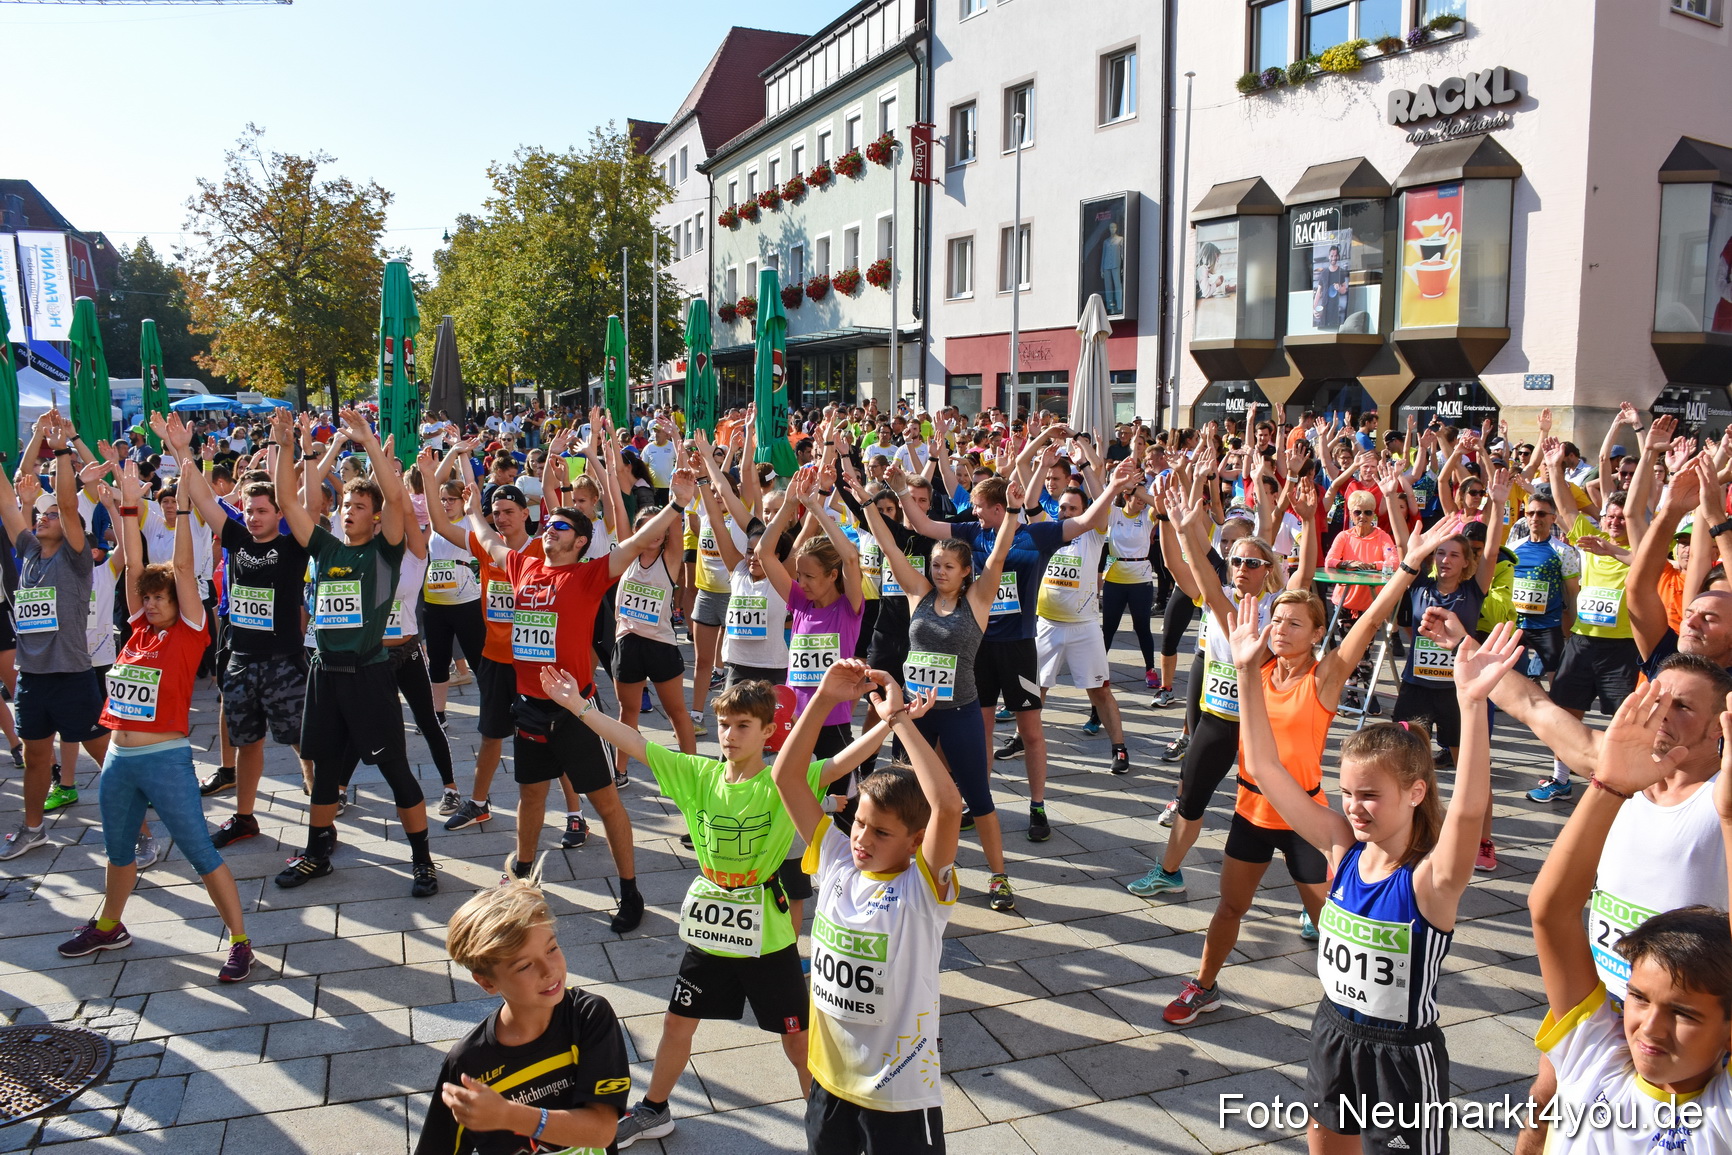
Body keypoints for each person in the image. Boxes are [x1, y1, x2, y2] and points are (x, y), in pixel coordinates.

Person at [1233, 596, 1524, 1153]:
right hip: (1333, 1033)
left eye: (1370, 795)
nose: (1355, 807)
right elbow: (1267, 769)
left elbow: (1466, 809)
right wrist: (1248, 672)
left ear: (1415, 793)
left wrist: (1472, 706)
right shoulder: (1341, 846)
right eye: (1347, 794)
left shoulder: (1430, 879)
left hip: (1402, 1058)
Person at [540, 668, 872, 1150]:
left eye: (742, 726)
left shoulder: (783, 777)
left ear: (767, 731)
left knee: (798, 1041)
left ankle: (829, 1130)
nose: (730, 736)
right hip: (712, 926)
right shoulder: (699, 774)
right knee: (677, 1021)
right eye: (723, 725)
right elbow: (634, 743)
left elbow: (841, 761)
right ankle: (654, 1110)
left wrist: (892, 722)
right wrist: (579, 706)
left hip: (768, 935)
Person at [467, 469, 698, 929]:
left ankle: (630, 892)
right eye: (548, 524)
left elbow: (633, 546)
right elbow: (485, 536)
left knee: (606, 802)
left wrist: (676, 505)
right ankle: (522, 880)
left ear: (579, 542)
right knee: (531, 797)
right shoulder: (523, 564)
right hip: (529, 708)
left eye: (560, 528)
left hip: (577, 712)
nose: (549, 530)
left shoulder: (590, 575)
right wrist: (472, 497)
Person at [56, 460, 254, 982]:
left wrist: (184, 507)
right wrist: (125, 504)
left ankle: (239, 941)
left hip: (165, 759)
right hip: (120, 760)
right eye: (146, 598)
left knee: (198, 851)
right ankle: (109, 924)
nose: (149, 603)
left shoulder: (190, 631)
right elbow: (134, 563)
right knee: (119, 851)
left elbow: (184, 571)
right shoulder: (139, 629)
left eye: (158, 597)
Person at [1526, 676, 1732, 1154]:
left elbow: (1552, 913)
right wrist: (1610, 785)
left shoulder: (1722, 1114)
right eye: (1639, 998)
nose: (1649, 1028)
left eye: (1683, 1013)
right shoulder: (1596, 1051)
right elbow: (1550, 911)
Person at [774, 660, 962, 1154]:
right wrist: (822, 697)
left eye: (881, 832)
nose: (861, 838)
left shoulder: (924, 889)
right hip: (830, 1080)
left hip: (899, 1093)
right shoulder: (834, 860)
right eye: (858, 822)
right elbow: (787, 776)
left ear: (916, 841)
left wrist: (898, 720)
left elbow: (947, 804)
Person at [267, 408, 438, 898]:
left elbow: (399, 497)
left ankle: (422, 861)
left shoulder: (383, 552)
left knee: (394, 770)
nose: (348, 510)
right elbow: (286, 500)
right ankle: (317, 853)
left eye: (359, 505)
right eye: (344, 503)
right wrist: (284, 446)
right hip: (326, 676)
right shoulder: (328, 549)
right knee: (323, 772)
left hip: (369, 675)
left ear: (376, 516)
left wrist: (364, 440)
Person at [855, 479, 1018, 908]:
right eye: (936, 565)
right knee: (904, 792)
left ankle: (999, 877)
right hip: (914, 715)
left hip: (960, 710)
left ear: (966, 571)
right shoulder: (919, 595)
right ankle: (905, 867)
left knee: (977, 797)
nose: (939, 572)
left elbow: (998, 554)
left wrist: (1015, 512)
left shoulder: (978, 600)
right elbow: (889, 548)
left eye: (948, 566)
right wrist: (868, 501)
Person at [165, 417, 310, 847]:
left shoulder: (293, 546)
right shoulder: (236, 538)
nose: (253, 517)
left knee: (305, 741)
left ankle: (324, 810)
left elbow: (297, 498)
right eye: (248, 510)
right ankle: (245, 817)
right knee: (247, 743)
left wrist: (284, 446)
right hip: (242, 660)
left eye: (262, 511)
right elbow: (203, 496)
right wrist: (182, 452)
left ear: (279, 514)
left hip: (284, 661)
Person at [415, 874, 631, 1155]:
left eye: (551, 948)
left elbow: (601, 1131)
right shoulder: (469, 1061)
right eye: (524, 966)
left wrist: (508, 1115)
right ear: (487, 982)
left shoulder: (587, 1016)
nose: (548, 970)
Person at [0, 412, 109, 860]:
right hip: (32, 678)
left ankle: (142, 831)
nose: (42, 517)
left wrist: (62, 447)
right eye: (39, 516)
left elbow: (66, 504)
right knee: (38, 758)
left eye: (50, 516)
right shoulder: (28, 551)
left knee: (108, 759)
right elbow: (10, 499)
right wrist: (35, 439)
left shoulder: (75, 558)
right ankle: (33, 828)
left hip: (72, 676)